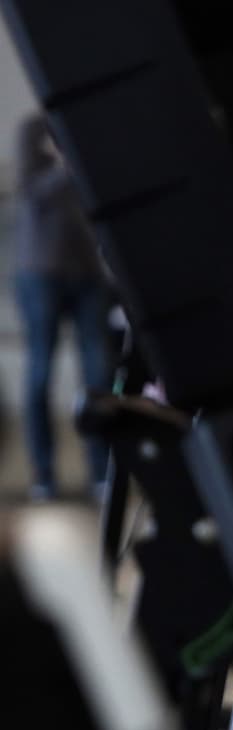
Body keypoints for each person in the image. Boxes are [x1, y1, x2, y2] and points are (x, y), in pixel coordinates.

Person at [12, 113, 110, 502]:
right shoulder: (31, 130)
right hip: (40, 270)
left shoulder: (83, 124)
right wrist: (67, 164)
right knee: (40, 371)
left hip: (88, 269)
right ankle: (44, 477)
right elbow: (29, 191)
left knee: (99, 372)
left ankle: (103, 472)